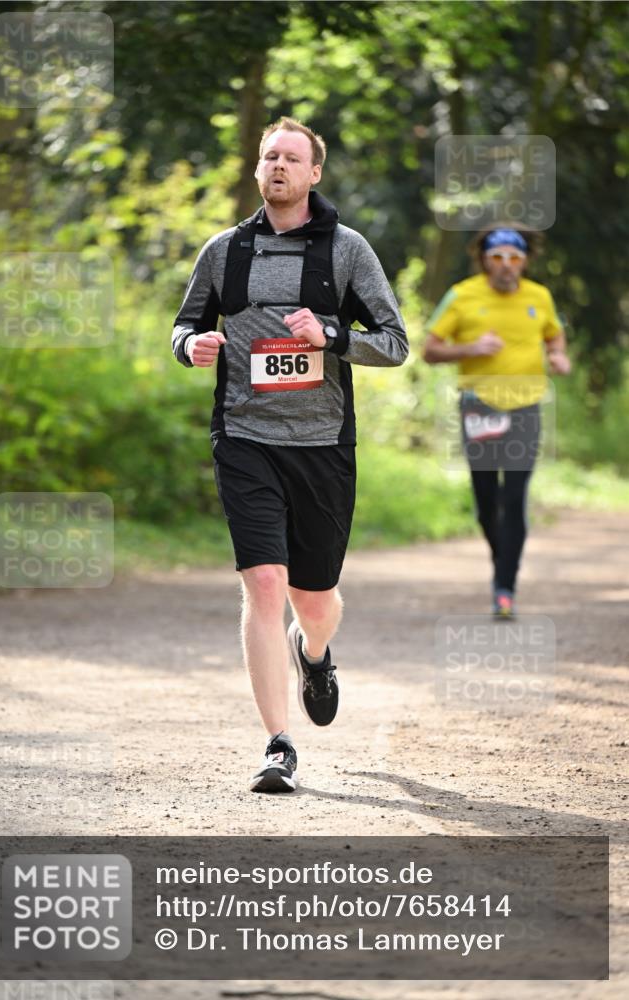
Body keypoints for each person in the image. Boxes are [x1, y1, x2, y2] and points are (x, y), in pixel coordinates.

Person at [172, 117, 408, 792]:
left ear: (312, 175)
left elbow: (393, 342)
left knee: (314, 598)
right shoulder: (224, 252)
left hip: (322, 445)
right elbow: (186, 323)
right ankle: (278, 745)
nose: (277, 164)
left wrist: (331, 333)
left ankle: (315, 651)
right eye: (268, 155)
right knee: (264, 584)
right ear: (257, 171)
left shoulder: (347, 252)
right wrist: (191, 346)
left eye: (291, 157)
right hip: (244, 436)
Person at [423, 226, 571, 619]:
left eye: (515, 258)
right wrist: (472, 348)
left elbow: (555, 338)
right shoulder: (462, 295)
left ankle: (504, 588)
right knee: (487, 500)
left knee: (515, 497)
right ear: (485, 259)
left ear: (525, 260)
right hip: (480, 408)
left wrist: (558, 357)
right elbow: (430, 350)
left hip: (526, 406)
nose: (507, 266)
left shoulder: (539, 297)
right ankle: (502, 559)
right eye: (498, 257)